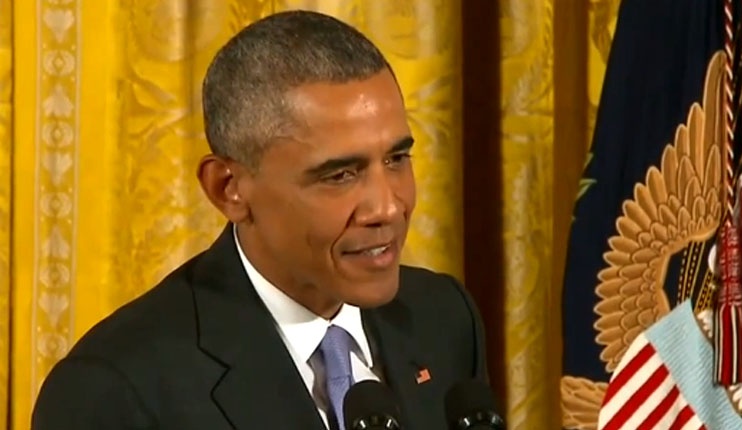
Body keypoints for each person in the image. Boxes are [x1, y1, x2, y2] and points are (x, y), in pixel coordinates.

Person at [31, 9, 488, 430]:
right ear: (228, 188)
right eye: (341, 174)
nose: (387, 207)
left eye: (396, 159)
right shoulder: (115, 390)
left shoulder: (444, 318)